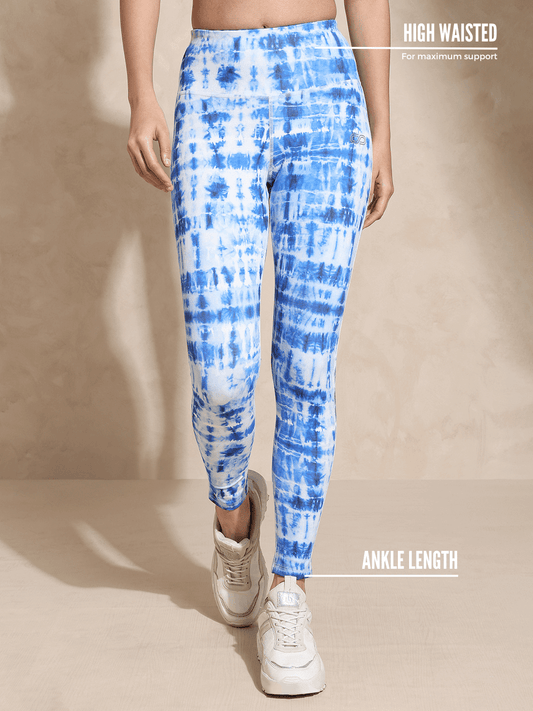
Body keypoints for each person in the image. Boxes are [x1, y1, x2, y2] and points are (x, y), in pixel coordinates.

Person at [120, 0, 393, 696]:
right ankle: (234, 518)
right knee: (220, 376)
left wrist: (382, 127)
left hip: (324, 90)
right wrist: (141, 91)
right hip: (217, 84)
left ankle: (290, 589)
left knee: (307, 367)